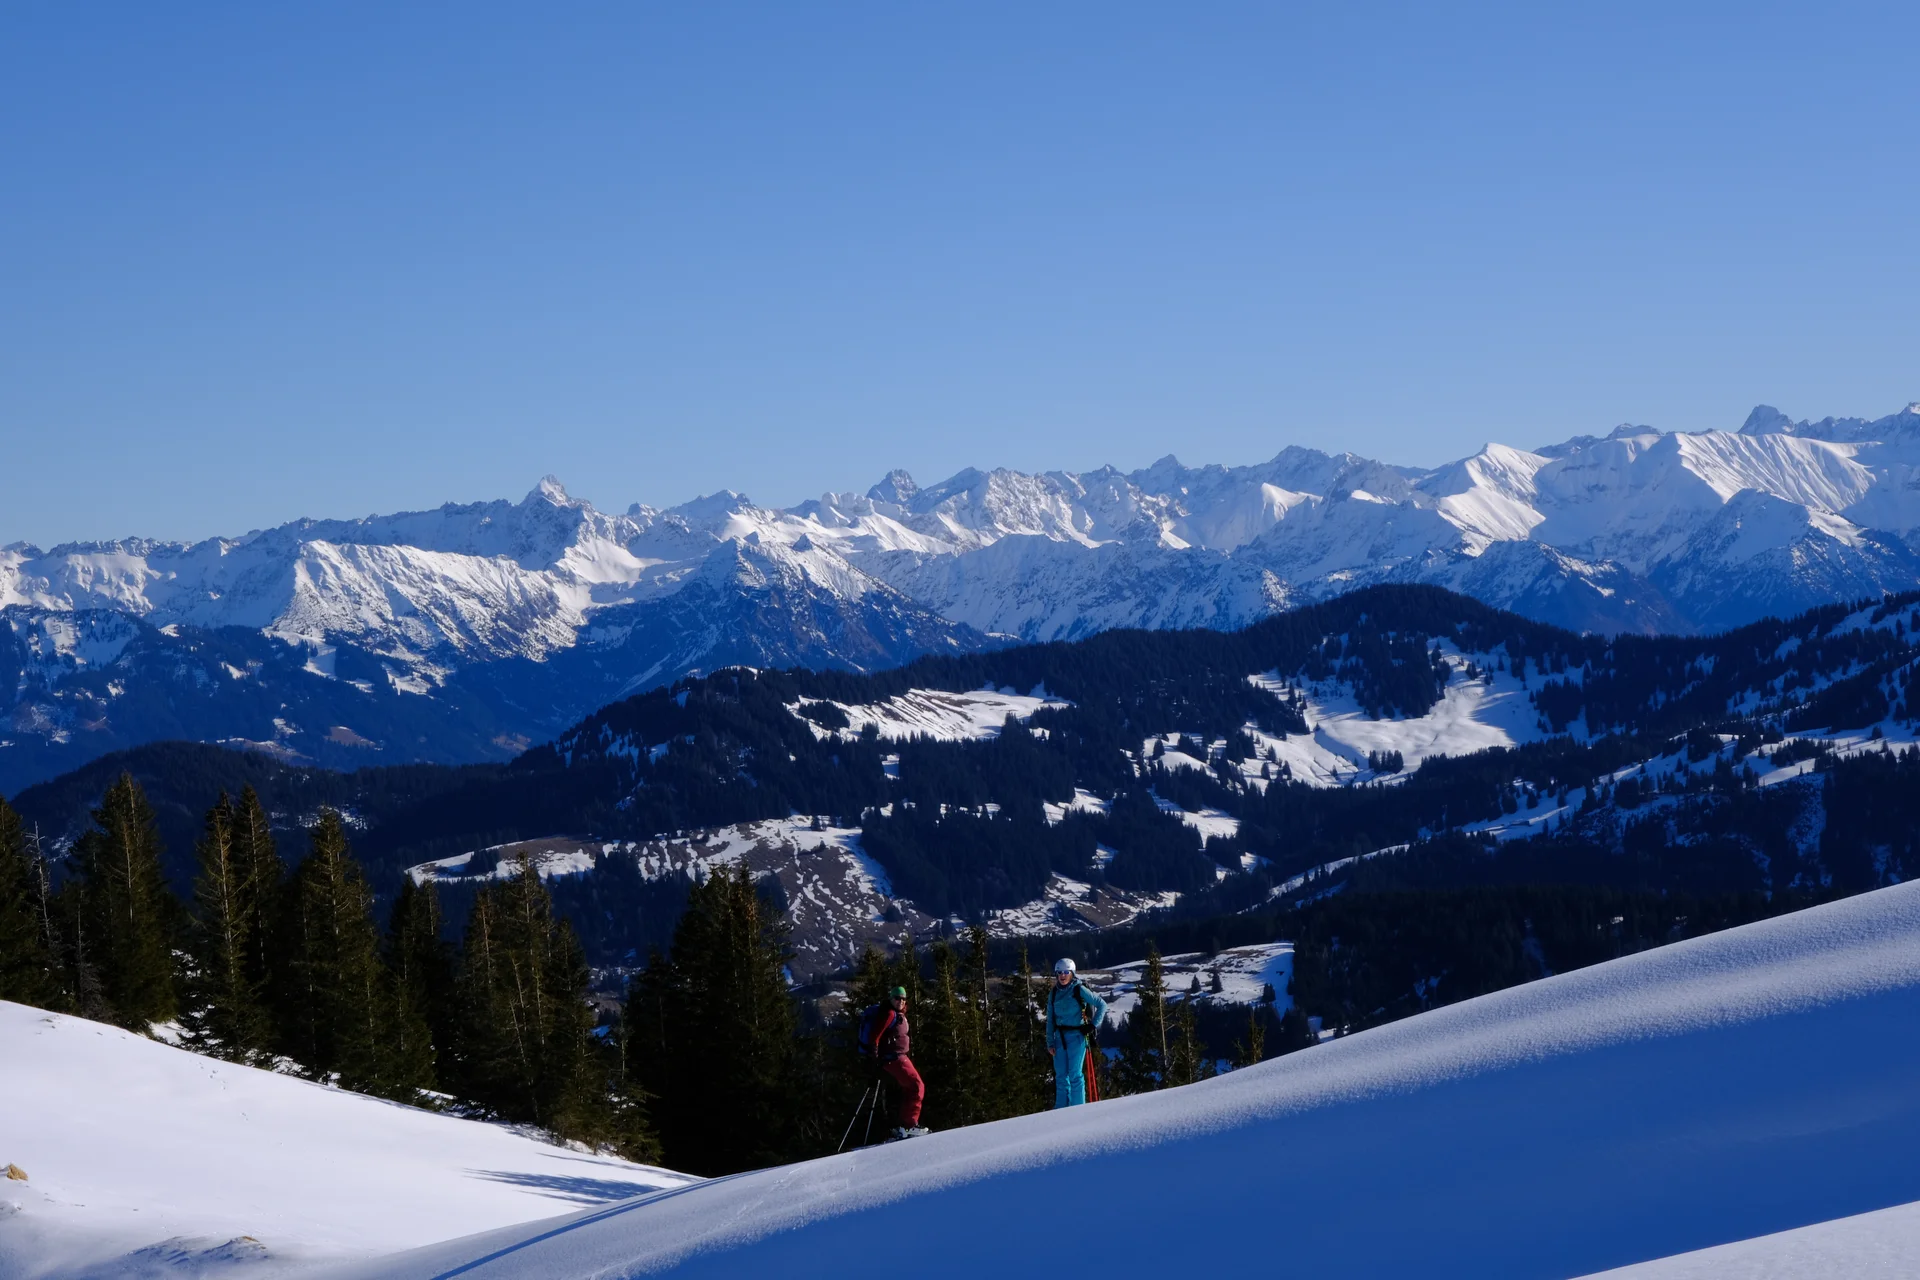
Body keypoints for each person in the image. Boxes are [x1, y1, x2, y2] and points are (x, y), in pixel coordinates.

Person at [859, 985, 928, 1140]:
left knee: (907, 1089)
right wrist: (874, 1057)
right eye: (897, 998)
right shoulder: (889, 1014)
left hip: (896, 1057)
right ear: (891, 998)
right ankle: (909, 1125)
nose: (901, 1001)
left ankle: (903, 1126)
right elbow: (875, 1036)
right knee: (917, 1086)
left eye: (903, 998)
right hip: (894, 1058)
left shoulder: (896, 1014)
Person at [1044, 957, 1108, 1109]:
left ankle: (1078, 1110)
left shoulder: (1079, 989)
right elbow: (1050, 1020)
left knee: (1074, 1075)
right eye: (1059, 972)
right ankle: (1060, 1110)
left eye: (1066, 972)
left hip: (1077, 1037)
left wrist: (1092, 1026)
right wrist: (1050, 1042)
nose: (1062, 975)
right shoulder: (1053, 994)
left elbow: (1102, 1004)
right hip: (1059, 1038)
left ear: (1072, 973)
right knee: (1060, 1076)